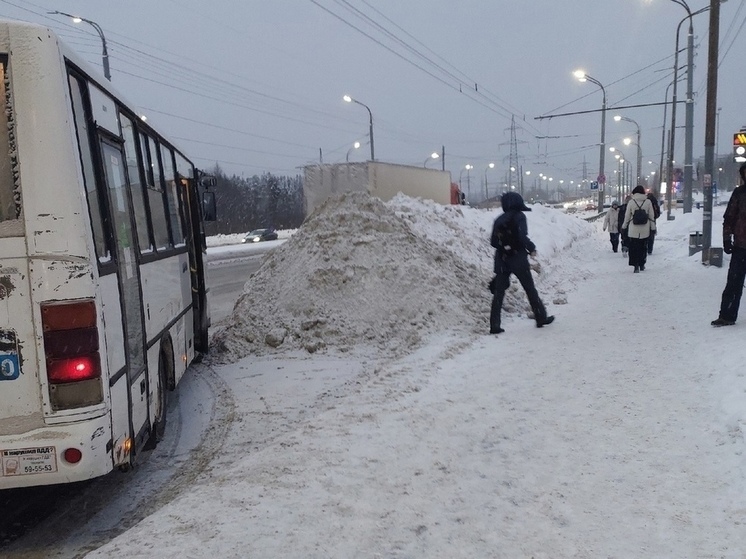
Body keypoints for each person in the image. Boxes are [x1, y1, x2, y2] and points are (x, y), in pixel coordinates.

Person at [489, 191, 554, 334]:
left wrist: (504, 248)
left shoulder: (499, 220)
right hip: (518, 258)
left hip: (501, 260)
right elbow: (521, 236)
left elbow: (493, 242)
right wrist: (531, 248)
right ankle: (540, 317)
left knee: (499, 294)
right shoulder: (519, 216)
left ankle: (494, 325)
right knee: (529, 288)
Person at [712, 163, 746, 326]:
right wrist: (726, 239)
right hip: (741, 246)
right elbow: (729, 218)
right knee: (733, 283)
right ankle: (727, 315)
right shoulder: (739, 193)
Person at [622, 185, 656, 273]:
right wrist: (653, 228)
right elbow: (652, 216)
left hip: (633, 229)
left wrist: (624, 226)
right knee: (643, 247)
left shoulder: (631, 202)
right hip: (645, 229)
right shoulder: (648, 202)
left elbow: (627, 216)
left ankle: (635, 265)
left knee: (633, 247)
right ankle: (642, 264)